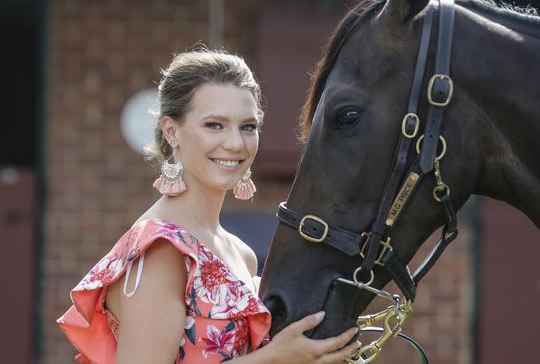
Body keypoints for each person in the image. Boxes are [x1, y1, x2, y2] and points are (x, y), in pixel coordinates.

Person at [57, 49, 360, 364]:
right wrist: (275, 359)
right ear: (172, 131)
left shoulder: (241, 253)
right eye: (215, 125)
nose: (235, 143)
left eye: (248, 126)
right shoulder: (162, 248)